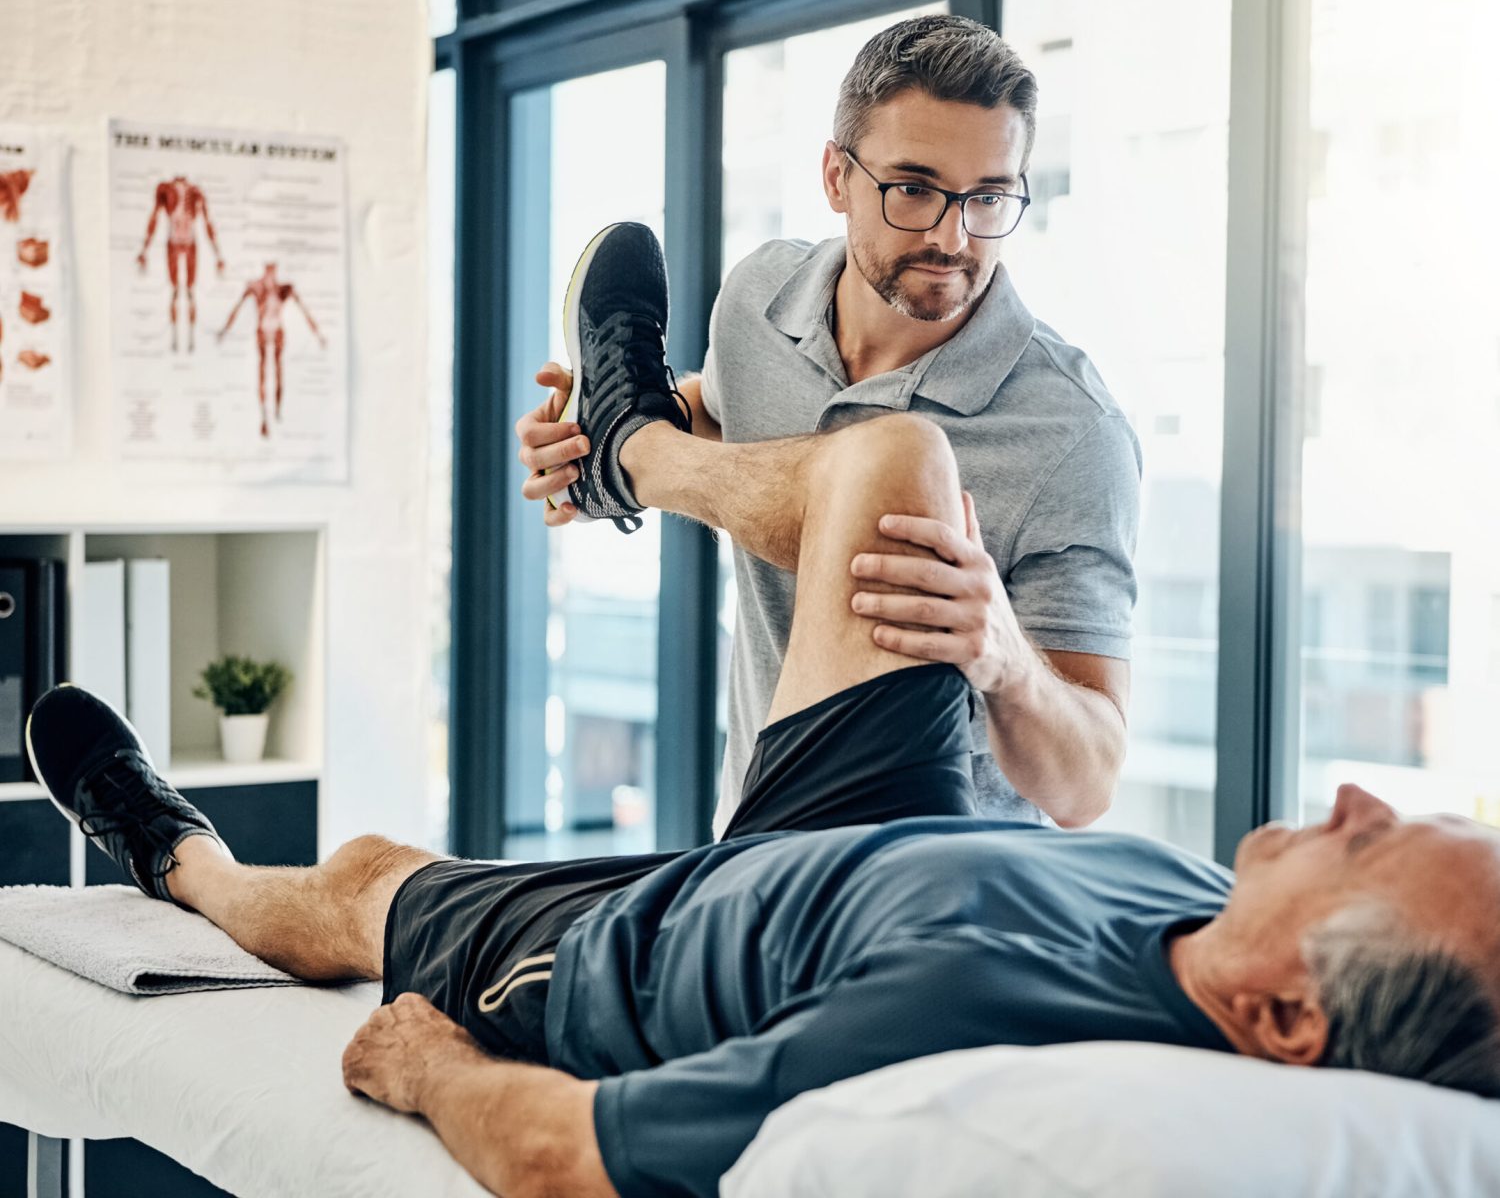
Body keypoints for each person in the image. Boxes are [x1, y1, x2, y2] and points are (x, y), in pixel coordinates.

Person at [24, 224, 1500, 1198]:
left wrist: (431, 1069)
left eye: (1379, 850)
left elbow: (572, 1164)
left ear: (1286, 1015)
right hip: (874, 826)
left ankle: (171, 846)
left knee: (355, 884)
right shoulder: (1214, 915)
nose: (1366, 798)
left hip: (656, 950)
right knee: (899, 462)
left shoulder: (960, 1033)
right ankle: (642, 444)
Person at [517, 14, 1141, 836]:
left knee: (894, 464)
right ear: (835, 177)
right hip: (748, 845)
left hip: (933, 895)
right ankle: (629, 446)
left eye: (989, 197)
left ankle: (637, 454)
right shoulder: (757, 301)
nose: (953, 238)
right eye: (914, 189)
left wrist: (1005, 659)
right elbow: (727, 419)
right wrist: (586, 443)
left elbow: (1087, 787)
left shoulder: (1071, 431)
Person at [216, 261, 328, 437]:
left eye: (273, 272)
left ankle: (276, 411)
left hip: (276, 331)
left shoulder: (284, 290)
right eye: (268, 271)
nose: (270, 275)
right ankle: (264, 417)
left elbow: (304, 311)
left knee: (277, 371)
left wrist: (318, 334)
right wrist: (225, 330)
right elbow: (237, 308)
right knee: (262, 373)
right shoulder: (256, 288)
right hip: (263, 330)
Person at [136, 174, 225, 353]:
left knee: (190, 292)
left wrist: (218, 255)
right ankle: (175, 339)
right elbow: (154, 217)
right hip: (174, 242)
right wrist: (144, 250)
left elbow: (208, 223)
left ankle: (191, 339)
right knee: (176, 291)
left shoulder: (196, 192)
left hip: (190, 242)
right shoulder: (165, 189)